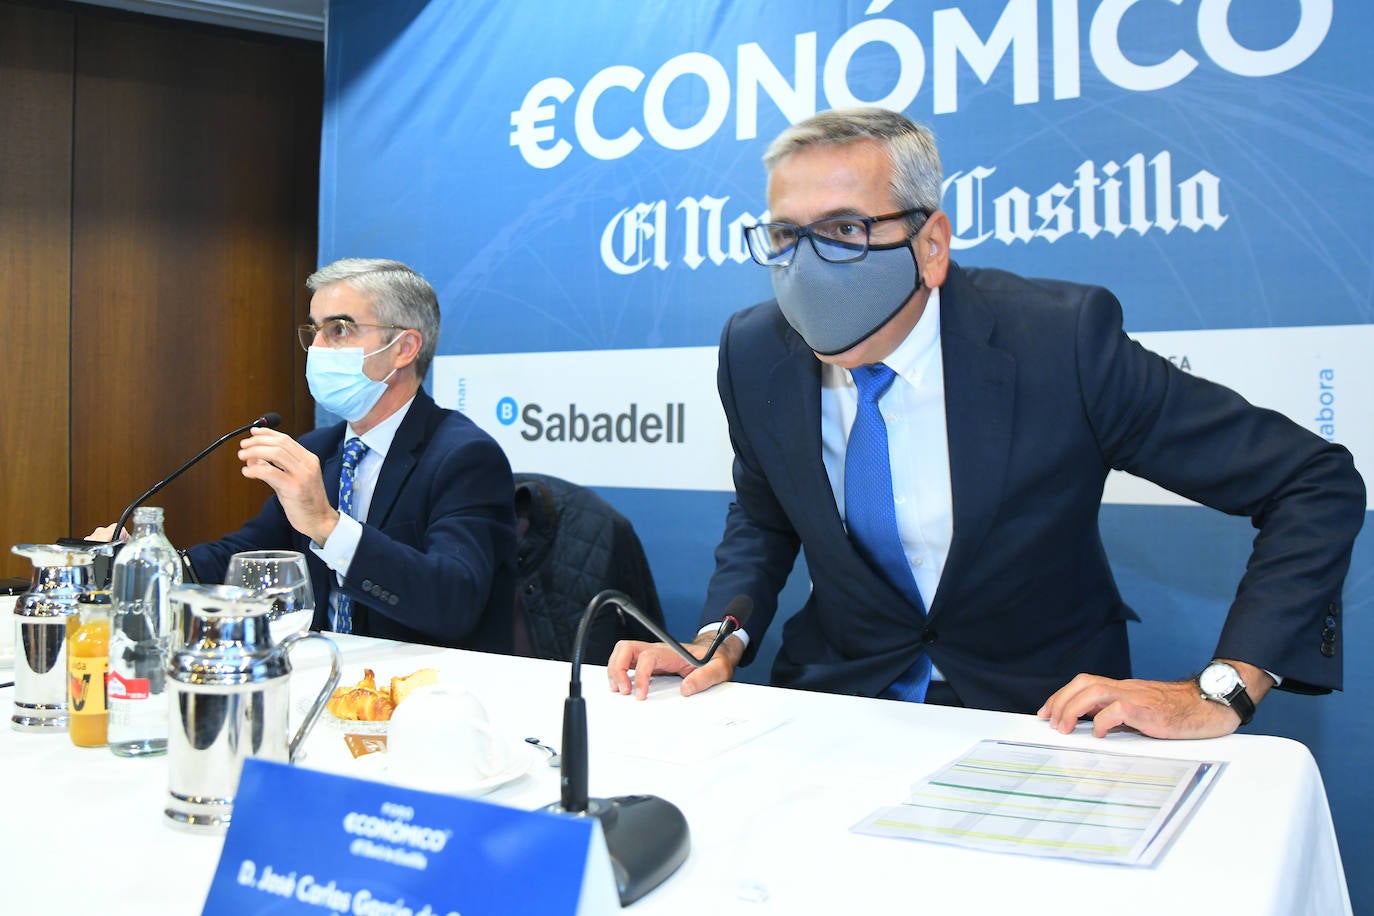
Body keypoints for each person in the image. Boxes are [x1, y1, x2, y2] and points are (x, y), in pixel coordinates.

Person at [607, 108, 1365, 739]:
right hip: (840, 705)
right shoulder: (755, 351)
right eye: (784, 236)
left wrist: (1223, 689)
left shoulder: (1061, 342)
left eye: (844, 230)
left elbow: (1311, 481)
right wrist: (718, 636)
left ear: (931, 245)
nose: (805, 267)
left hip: (1047, 717)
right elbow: (766, 515)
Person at [99, 258, 517, 651]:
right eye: (314, 330)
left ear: (403, 348)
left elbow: (454, 601)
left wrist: (327, 526)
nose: (316, 347)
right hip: (324, 674)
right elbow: (248, 554)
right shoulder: (321, 448)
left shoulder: (465, 457)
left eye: (339, 329)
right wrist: (154, 564)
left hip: (424, 687)